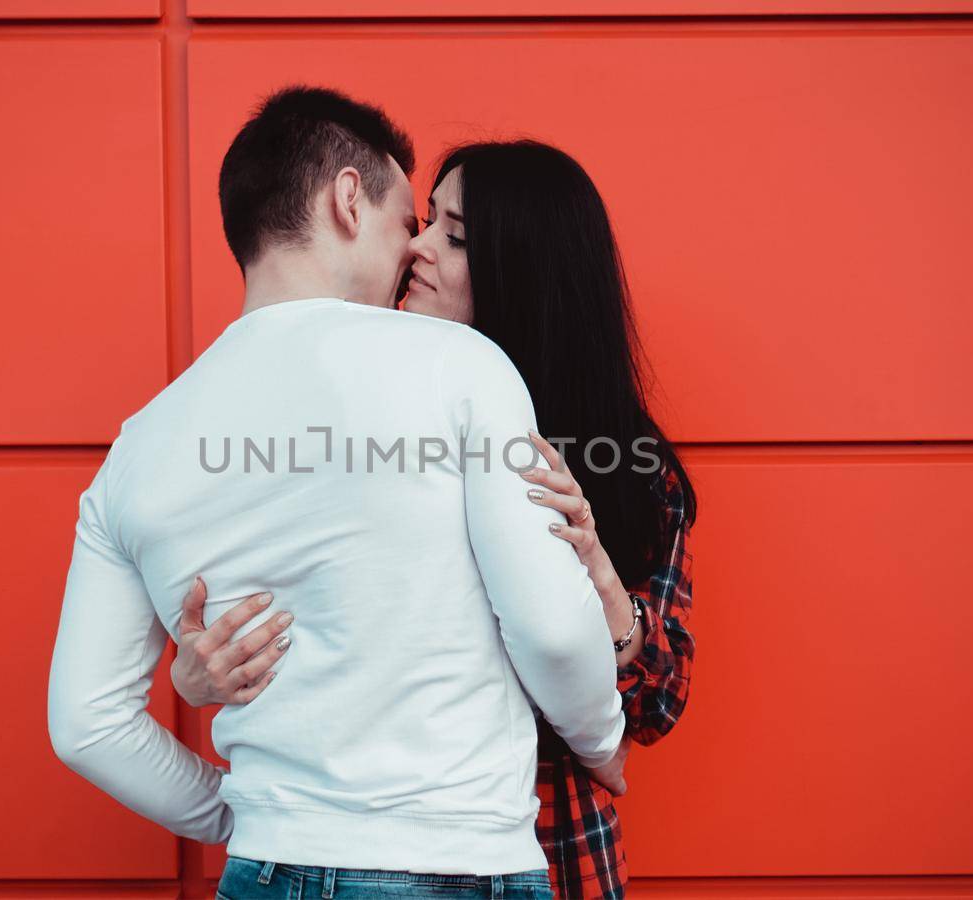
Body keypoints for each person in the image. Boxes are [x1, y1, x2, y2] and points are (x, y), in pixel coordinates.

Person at [46, 86, 630, 900]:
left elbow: (86, 725)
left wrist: (245, 816)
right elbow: (554, 631)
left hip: (265, 869)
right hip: (455, 868)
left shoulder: (140, 444)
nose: (412, 256)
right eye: (406, 225)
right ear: (348, 200)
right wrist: (605, 741)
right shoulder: (457, 366)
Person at [171, 139, 698, 900]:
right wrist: (199, 674)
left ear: (522, 272)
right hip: (373, 856)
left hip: (556, 850)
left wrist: (599, 576)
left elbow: (657, 702)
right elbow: (310, 620)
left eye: (453, 237)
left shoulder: (627, 465)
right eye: (425, 223)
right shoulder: (359, 418)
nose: (414, 245)